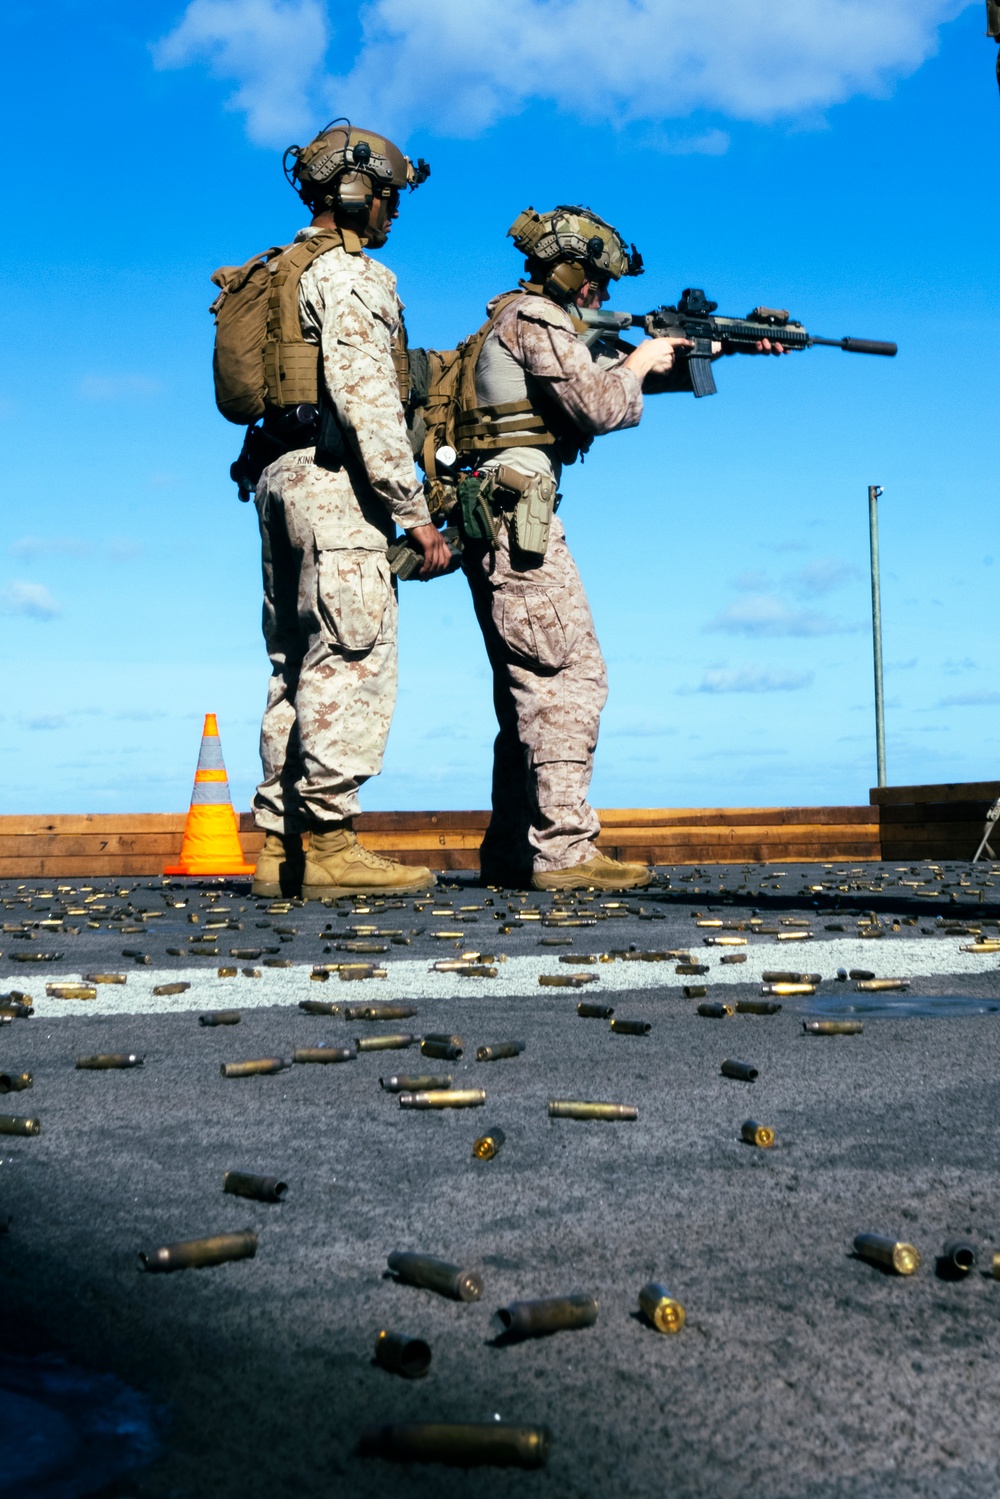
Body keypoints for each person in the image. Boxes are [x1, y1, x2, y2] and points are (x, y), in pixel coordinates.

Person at [455, 206, 783, 892]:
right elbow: (602, 403)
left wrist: (728, 344)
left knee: (526, 690)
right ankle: (565, 852)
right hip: (522, 522)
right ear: (575, 276)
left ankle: (518, 849)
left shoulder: (526, 324)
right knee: (569, 678)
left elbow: (611, 377)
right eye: (599, 283)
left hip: (509, 517)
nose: (604, 297)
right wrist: (639, 357)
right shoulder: (535, 321)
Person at [246, 121, 452, 899]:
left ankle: (280, 847)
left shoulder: (279, 269)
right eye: (389, 195)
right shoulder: (352, 275)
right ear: (357, 191)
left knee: (292, 662)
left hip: (280, 474)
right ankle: (330, 845)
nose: (393, 212)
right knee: (349, 652)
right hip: (335, 483)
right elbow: (367, 397)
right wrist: (415, 511)